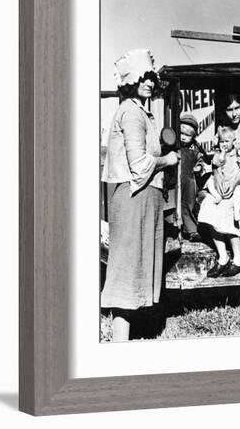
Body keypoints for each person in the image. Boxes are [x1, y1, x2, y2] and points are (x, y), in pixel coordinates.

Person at [101, 48, 179, 342]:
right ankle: (119, 346)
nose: (149, 82)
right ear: (131, 81)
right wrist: (168, 161)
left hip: (143, 199)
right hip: (134, 198)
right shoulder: (132, 113)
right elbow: (140, 165)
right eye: (143, 77)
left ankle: (130, 339)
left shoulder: (141, 111)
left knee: (135, 269)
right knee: (126, 272)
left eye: (151, 77)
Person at [198, 126, 240, 278]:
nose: (224, 144)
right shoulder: (219, 155)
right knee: (210, 213)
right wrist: (223, 152)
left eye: (227, 141)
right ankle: (222, 257)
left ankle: (238, 257)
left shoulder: (238, 155)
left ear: (234, 141)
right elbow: (217, 164)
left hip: (235, 189)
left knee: (228, 218)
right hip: (220, 190)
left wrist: (233, 183)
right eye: (221, 141)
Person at [179, 113, 208, 242]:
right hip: (175, 180)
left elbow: (202, 160)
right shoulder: (174, 144)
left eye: (188, 135)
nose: (183, 137)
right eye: (181, 133)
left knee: (189, 204)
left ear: (193, 136)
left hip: (189, 180)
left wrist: (199, 167)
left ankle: (191, 230)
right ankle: (174, 231)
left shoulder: (195, 148)